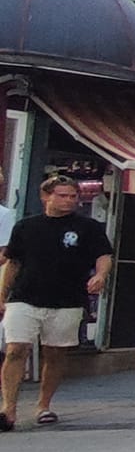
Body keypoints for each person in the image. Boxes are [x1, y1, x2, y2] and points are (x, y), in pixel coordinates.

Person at [0, 175, 113, 429]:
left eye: (73, 196)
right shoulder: (26, 227)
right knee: (15, 349)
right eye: (63, 195)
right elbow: (13, 262)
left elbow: (103, 255)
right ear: (46, 197)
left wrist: (100, 275)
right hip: (25, 296)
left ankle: (43, 404)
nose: (69, 201)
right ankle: (8, 408)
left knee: (55, 353)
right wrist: (2, 295)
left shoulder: (89, 228)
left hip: (67, 298)